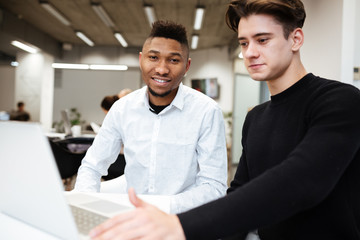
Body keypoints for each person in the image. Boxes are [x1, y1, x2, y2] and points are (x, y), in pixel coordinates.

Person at [89, 0, 360, 239]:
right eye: (244, 43)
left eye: (262, 40)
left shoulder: (340, 100)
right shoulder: (256, 118)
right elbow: (240, 196)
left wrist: (180, 226)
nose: (249, 52)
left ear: (296, 39)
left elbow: (302, 181)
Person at [75, 20, 228, 214]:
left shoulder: (206, 111)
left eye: (173, 60)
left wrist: (158, 208)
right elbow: (91, 167)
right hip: (132, 217)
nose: (162, 69)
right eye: (153, 57)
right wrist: (86, 207)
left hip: (182, 221)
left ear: (187, 65)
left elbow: (214, 187)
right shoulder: (122, 109)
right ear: (141, 60)